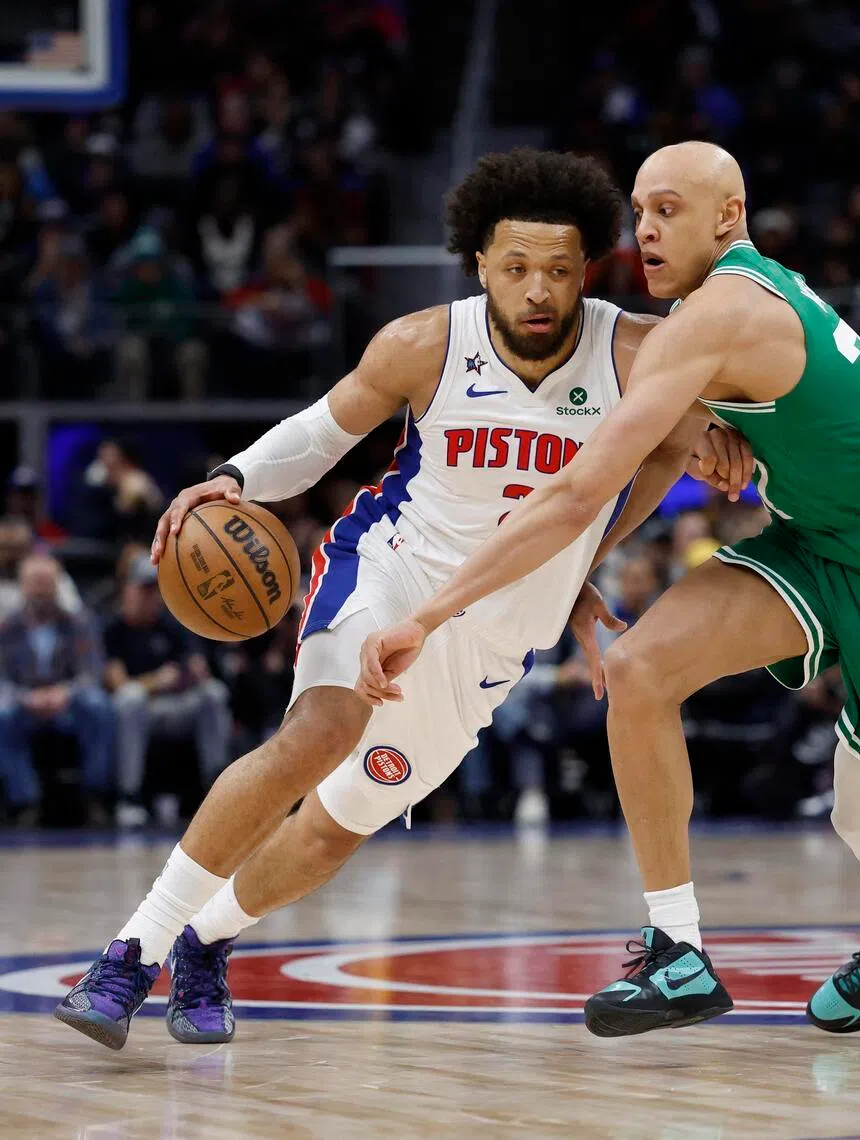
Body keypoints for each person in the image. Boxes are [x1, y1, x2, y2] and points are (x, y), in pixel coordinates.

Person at [53, 148, 751, 1051]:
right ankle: (128, 957)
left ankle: (204, 940)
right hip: (391, 569)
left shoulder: (639, 352)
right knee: (319, 733)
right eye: (515, 268)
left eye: (559, 270)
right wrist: (231, 479)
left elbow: (669, 455)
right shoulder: (424, 343)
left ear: (589, 269)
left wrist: (701, 458)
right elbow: (322, 432)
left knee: (333, 832)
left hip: (501, 630)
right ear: (478, 264)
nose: (537, 290)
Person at [358, 141, 860, 1038]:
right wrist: (602, 548)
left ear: (728, 218)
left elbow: (582, 489)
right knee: (638, 669)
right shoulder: (705, 314)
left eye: (668, 210)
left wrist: (428, 613)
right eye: (640, 210)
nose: (645, 230)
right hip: (820, 540)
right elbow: (664, 452)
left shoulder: (720, 315)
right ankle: (679, 951)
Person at [104, 555, 232, 828]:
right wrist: (155, 681)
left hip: (177, 706)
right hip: (140, 711)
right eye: (143, 589)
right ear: (127, 590)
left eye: (154, 590)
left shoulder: (173, 625)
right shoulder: (114, 628)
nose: (149, 597)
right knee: (130, 699)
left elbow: (197, 668)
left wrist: (194, 674)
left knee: (214, 693)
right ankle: (130, 797)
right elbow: (118, 684)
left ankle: (219, 791)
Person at [0, 555, 114, 826]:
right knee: (3, 715)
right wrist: (26, 697)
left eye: (46, 583)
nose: (40, 590)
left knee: (98, 705)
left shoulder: (79, 622)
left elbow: (92, 671)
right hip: (24, 707)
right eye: (34, 583)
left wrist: (64, 693)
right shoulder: (7, 627)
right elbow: (2, 679)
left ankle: (94, 796)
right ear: (22, 585)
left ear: (57, 585)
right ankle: (25, 802)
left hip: (69, 706)